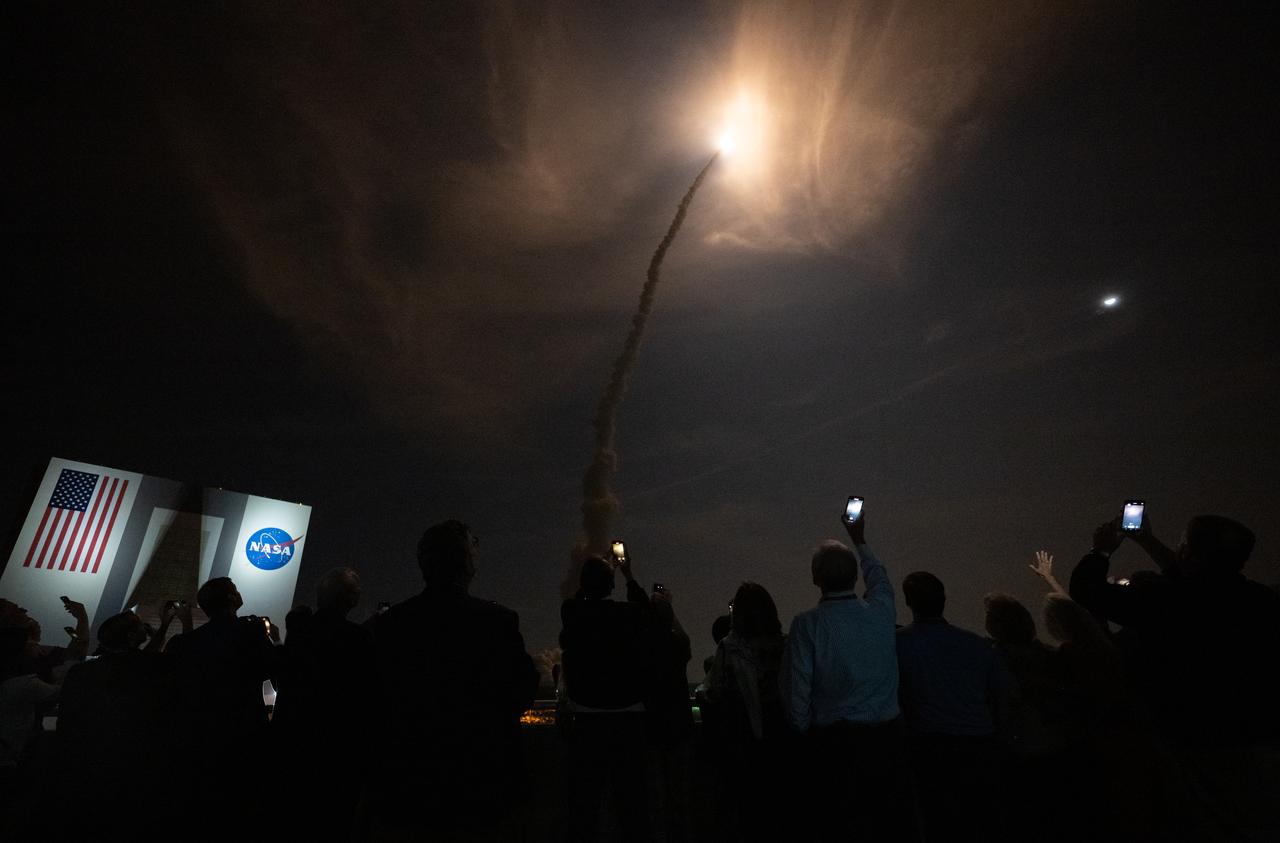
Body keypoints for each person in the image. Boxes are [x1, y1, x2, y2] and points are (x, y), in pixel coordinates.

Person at [1069, 512, 1280, 838]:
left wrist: (1101, 552)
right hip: (1258, 739)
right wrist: (1149, 541)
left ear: (1188, 554)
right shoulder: (1263, 601)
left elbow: (1086, 590)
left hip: (1191, 741)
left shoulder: (1163, 601)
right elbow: (1200, 583)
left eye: (1183, 544)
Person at [370, 520, 539, 838]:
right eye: (473, 546)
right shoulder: (497, 622)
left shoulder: (392, 625)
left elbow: (376, 699)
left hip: (411, 783)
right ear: (467, 562)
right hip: (482, 780)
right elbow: (521, 690)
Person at [781, 515, 912, 843]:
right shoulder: (880, 612)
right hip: (888, 738)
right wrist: (859, 539)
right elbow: (880, 579)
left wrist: (804, 730)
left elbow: (796, 690)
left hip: (838, 744)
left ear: (815, 578)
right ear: (856, 577)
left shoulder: (807, 625)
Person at [896, 572, 1008, 841]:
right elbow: (1003, 695)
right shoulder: (977, 645)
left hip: (929, 747)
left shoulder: (899, 644)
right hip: (979, 745)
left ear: (909, 601)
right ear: (944, 599)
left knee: (936, 821)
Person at [56, 606, 187, 833]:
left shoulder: (81, 672)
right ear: (130, 636)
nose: (143, 626)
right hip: (131, 765)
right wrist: (179, 624)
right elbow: (160, 660)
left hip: (82, 765)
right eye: (138, 625)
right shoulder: (147, 668)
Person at [165, 577, 279, 833]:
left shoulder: (183, 645)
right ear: (231, 599)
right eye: (235, 590)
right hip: (243, 734)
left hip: (196, 739)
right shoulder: (250, 631)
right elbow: (271, 669)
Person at [272, 566, 375, 840]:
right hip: (337, 756)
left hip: (292, 751)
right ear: (351, 599)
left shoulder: (299, 633)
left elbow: (283, 682)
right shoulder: (360, 639)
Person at [559, 552, 652, 842]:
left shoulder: (572, 612)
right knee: (632, 803)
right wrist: (627, 574)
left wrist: (594, 580)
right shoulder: (629, 614)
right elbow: (645, 608)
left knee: (585, 804)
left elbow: (576, 602)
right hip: (628, 720)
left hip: (588, 721)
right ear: (611, 586)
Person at [703, 582, 788, 842]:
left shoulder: (729, 648)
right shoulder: (784, 645)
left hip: (742, 739)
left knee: (745, 810)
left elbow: (714, 690)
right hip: (781, 734)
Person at [645, 586, 694, 843]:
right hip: (679, 725)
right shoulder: (678, 644)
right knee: (679, 791)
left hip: (652, 726)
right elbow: (684, 640)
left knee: (654, 793)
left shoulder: (641, 647)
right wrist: (670, 608)